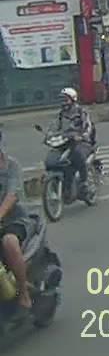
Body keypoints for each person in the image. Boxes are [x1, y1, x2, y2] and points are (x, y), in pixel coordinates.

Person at [0, 129, 34, 309]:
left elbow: (12, 195)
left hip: (14, 220)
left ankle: (23, 292)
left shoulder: (12, 166)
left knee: (9, 242)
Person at [52, 87, 95, 195]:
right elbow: (54, 128)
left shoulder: (81, 111)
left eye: (66, 100)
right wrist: (50, 136)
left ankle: (84, 182)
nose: (63, 103)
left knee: (77, 155)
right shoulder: (60, 114)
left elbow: (88, 126)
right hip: (65, 142)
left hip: (81, 142)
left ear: (73, 99)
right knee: (53, 158)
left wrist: (83, 135)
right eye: (61, 100)